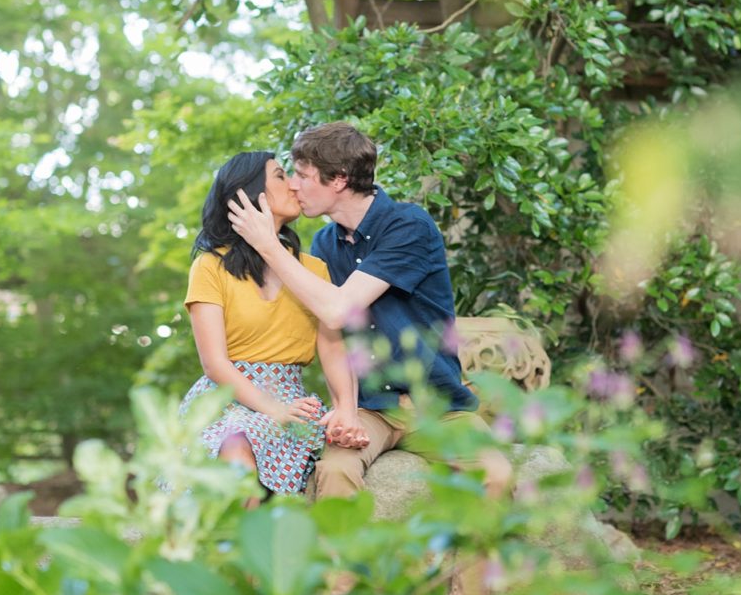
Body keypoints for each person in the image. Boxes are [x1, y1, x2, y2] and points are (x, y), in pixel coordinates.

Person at [226, 125, 512, 519]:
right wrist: (345, 408)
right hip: (371, 409)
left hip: (438, 406)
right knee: (334, 472)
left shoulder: (409, 226)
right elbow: (333, 335)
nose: (294, 185)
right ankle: (340, 582)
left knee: (496, 475)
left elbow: (339, 310)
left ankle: (473, 583)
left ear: (339, 179)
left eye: (303, 175)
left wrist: (267, 245)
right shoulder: (325, 244)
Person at [182, 149, 367, 502]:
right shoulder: (209, 267)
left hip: (292, 399)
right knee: (235, 448)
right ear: (251, 193)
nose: (294, 185)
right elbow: (214, 364)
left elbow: (332, 348)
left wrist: (346, 409)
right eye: (281, 175)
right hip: (225, 399)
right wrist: (274, 409)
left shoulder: (313, 270)